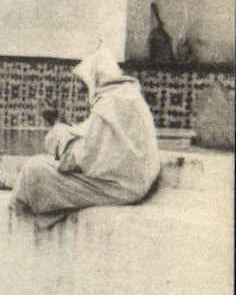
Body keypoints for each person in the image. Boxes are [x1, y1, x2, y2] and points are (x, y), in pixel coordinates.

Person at [12, 46, 161, 229]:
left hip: (120, 188)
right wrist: (62, 125)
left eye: (85, 86)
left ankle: (20, 228)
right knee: (39, 167)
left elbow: (74, 160)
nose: (84, 93)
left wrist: (55, 124)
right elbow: (92, 143)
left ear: (95, 80)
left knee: (33, 170)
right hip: (133, 183)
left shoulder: (109, 105)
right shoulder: (129, 97)